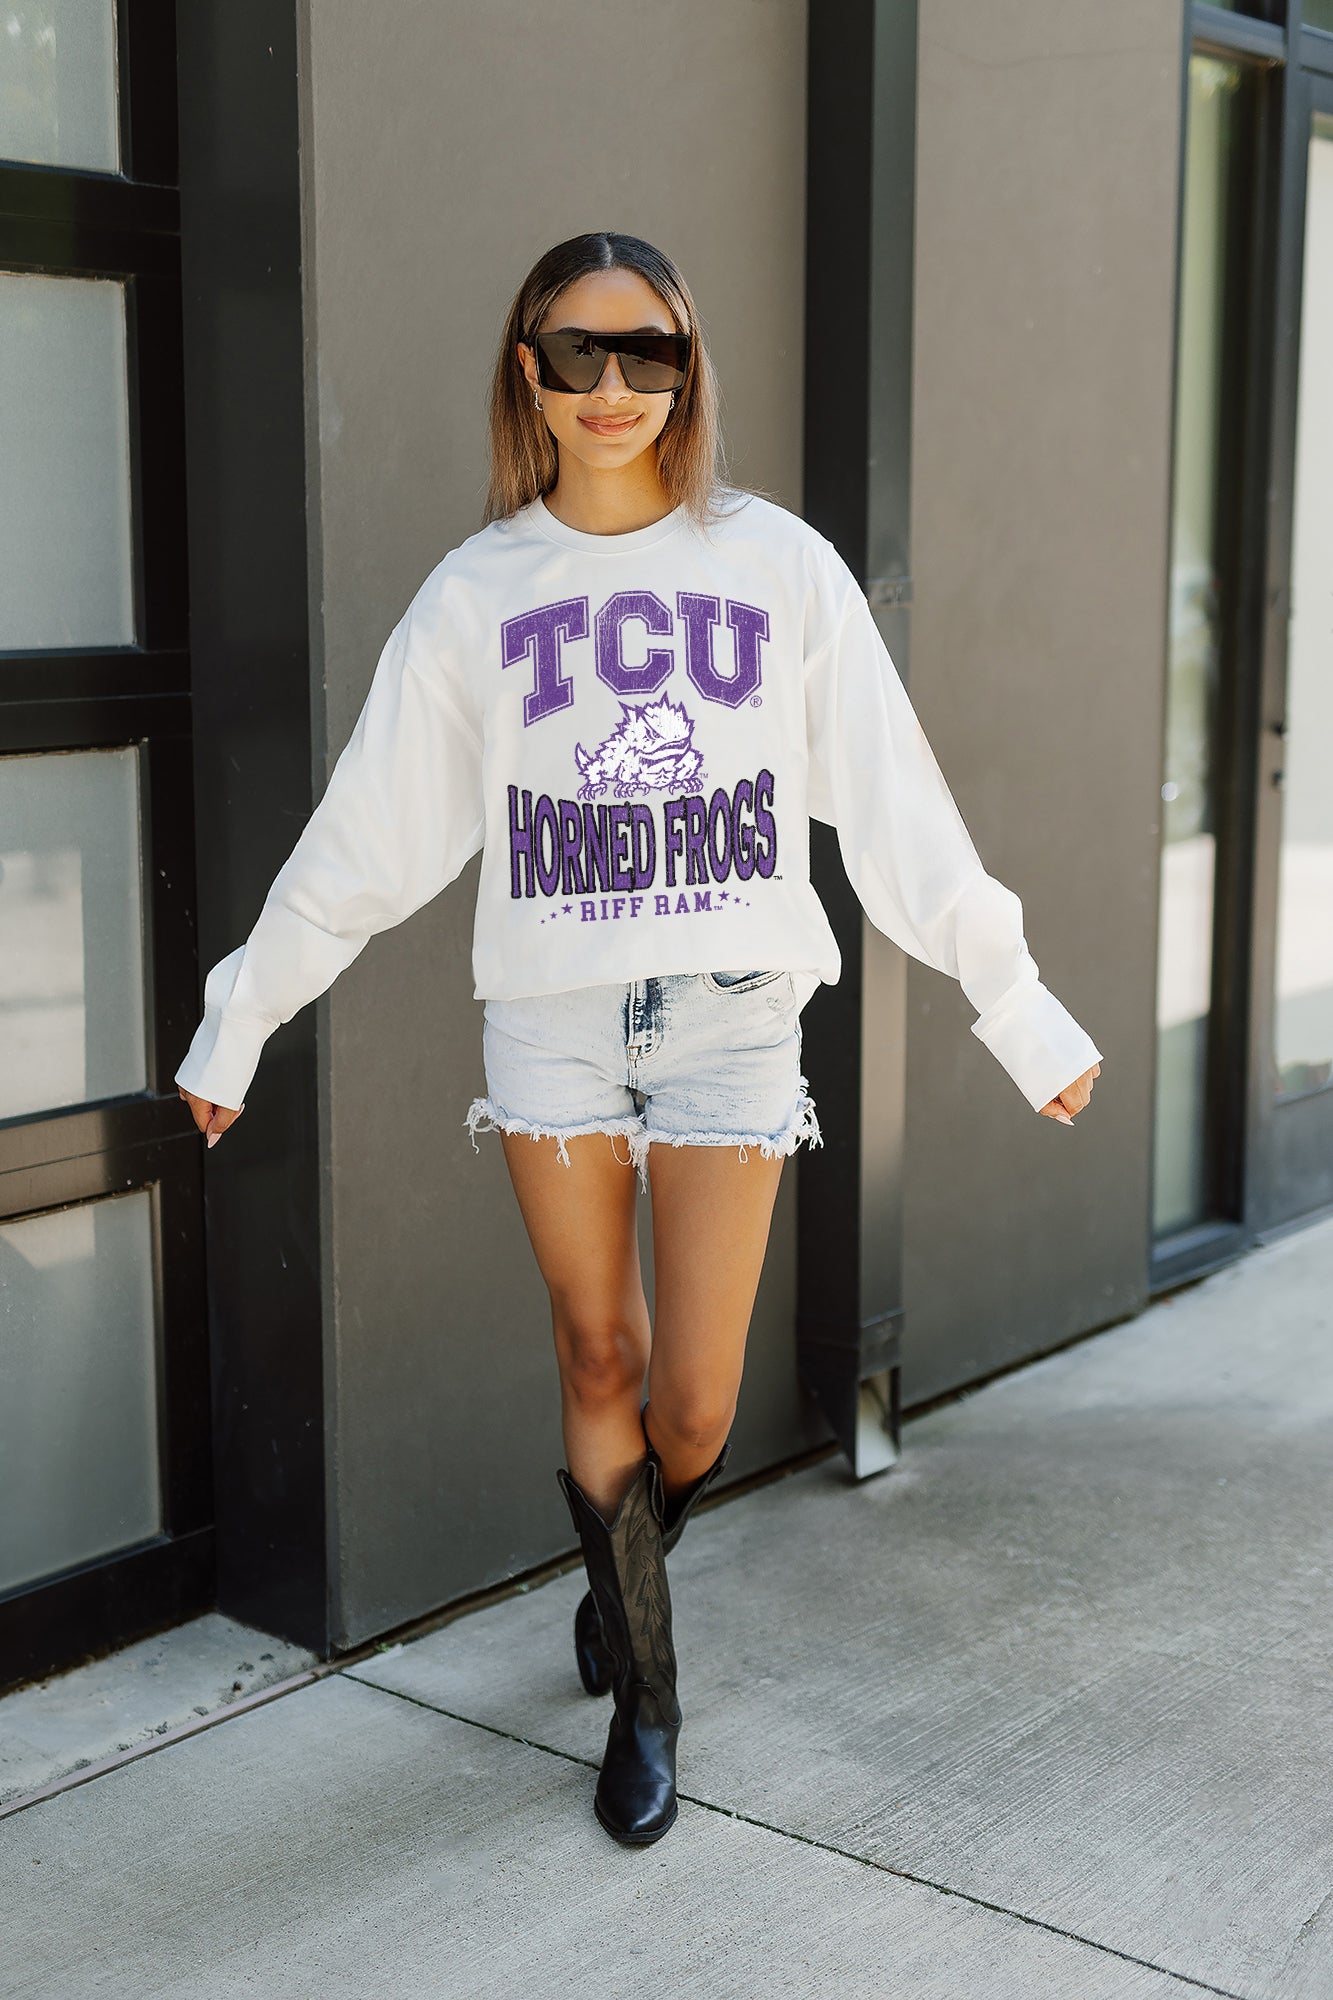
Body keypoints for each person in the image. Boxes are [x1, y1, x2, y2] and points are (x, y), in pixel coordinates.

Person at [175, 229, 1102, 1848]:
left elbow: (895, 807)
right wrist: (238, 1019)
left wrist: (1012, 1003)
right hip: (548, 1020)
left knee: (693, 1404)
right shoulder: (478, 595)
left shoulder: (778, 567)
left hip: (737, 1017)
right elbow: (365, 840)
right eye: (574, 352)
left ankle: (627, 1557)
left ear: (688, 366)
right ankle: (648, 1699)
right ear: (523, 370)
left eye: (647, 352)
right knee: (592, 1352)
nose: (613, 388)